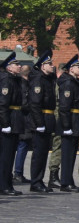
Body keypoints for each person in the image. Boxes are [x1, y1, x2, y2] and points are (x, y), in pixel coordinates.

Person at [27, 53, 58, 193]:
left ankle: (39, 180)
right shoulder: (38, 80)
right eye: (50, 64)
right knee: (39, 153)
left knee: (44, 152)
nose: (52, 66)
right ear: (42, 66)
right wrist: (39, 123)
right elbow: (35, 104)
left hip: (48, 118)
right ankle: (35, 182)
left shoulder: (48, 79)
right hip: (41, 119)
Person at [57, 55, 79, 192]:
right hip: (70, 121)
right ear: (71, 69)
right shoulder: (68, 83)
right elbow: (64, 107)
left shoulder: (74, 82)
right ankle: (65, 182)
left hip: (75, 120)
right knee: (67, 154)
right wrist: (66, 126)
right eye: (78, 67)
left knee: (73, 152)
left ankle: (69, 180)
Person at [0, 51, 26, 196]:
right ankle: (4, 185)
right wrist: (5, 124)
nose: (19, 66)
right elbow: (3, 104)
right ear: (9, 67)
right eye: (16, 64)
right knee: (6, 156)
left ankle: (7, 183)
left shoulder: (14, 80)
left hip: (15, 119)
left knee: (10, 155)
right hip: (9, 119)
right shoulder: (6, 80)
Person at [12, 54, 32, 184]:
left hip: (21, 119)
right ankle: (18, 172)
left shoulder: (20, 83)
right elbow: (24, 103)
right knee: (22, 145)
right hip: (23, 119)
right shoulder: (23, 84)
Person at [48, 62, 67, 188]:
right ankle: (53, 176)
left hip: (59, 118)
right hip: (57, 119)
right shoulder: (58, 84)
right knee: (57, 147)